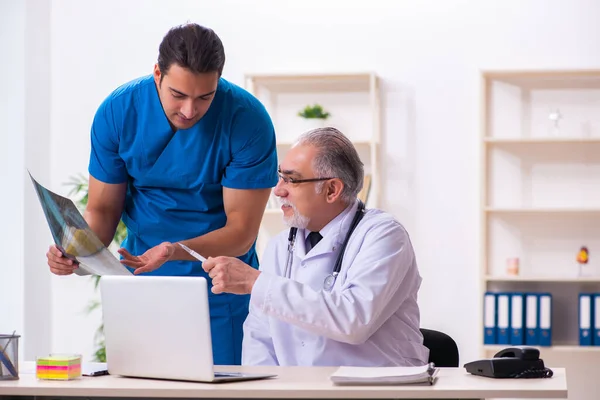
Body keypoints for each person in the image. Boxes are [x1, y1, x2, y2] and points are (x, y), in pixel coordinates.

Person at [45, 23, 278, 365]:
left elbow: (242, 233)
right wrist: (75, 249)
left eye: (205, 97)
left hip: (220, 287)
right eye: (178, 95)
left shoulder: (247, 121)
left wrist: (174, 249)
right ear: (157, 73)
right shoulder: (119, 113)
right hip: (144, 283)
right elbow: (103, 211)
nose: (189, 110)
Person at [202, 127, 429, 366]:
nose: (278, 190)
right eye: (280, 177)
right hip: (299, 392)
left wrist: (255, 282)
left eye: (291, 179)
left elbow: (354, 321)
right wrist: (261, 393)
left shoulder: (384, 235)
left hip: (376, 391)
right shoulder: (281, 246)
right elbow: (259, 338)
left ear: (332, 189)